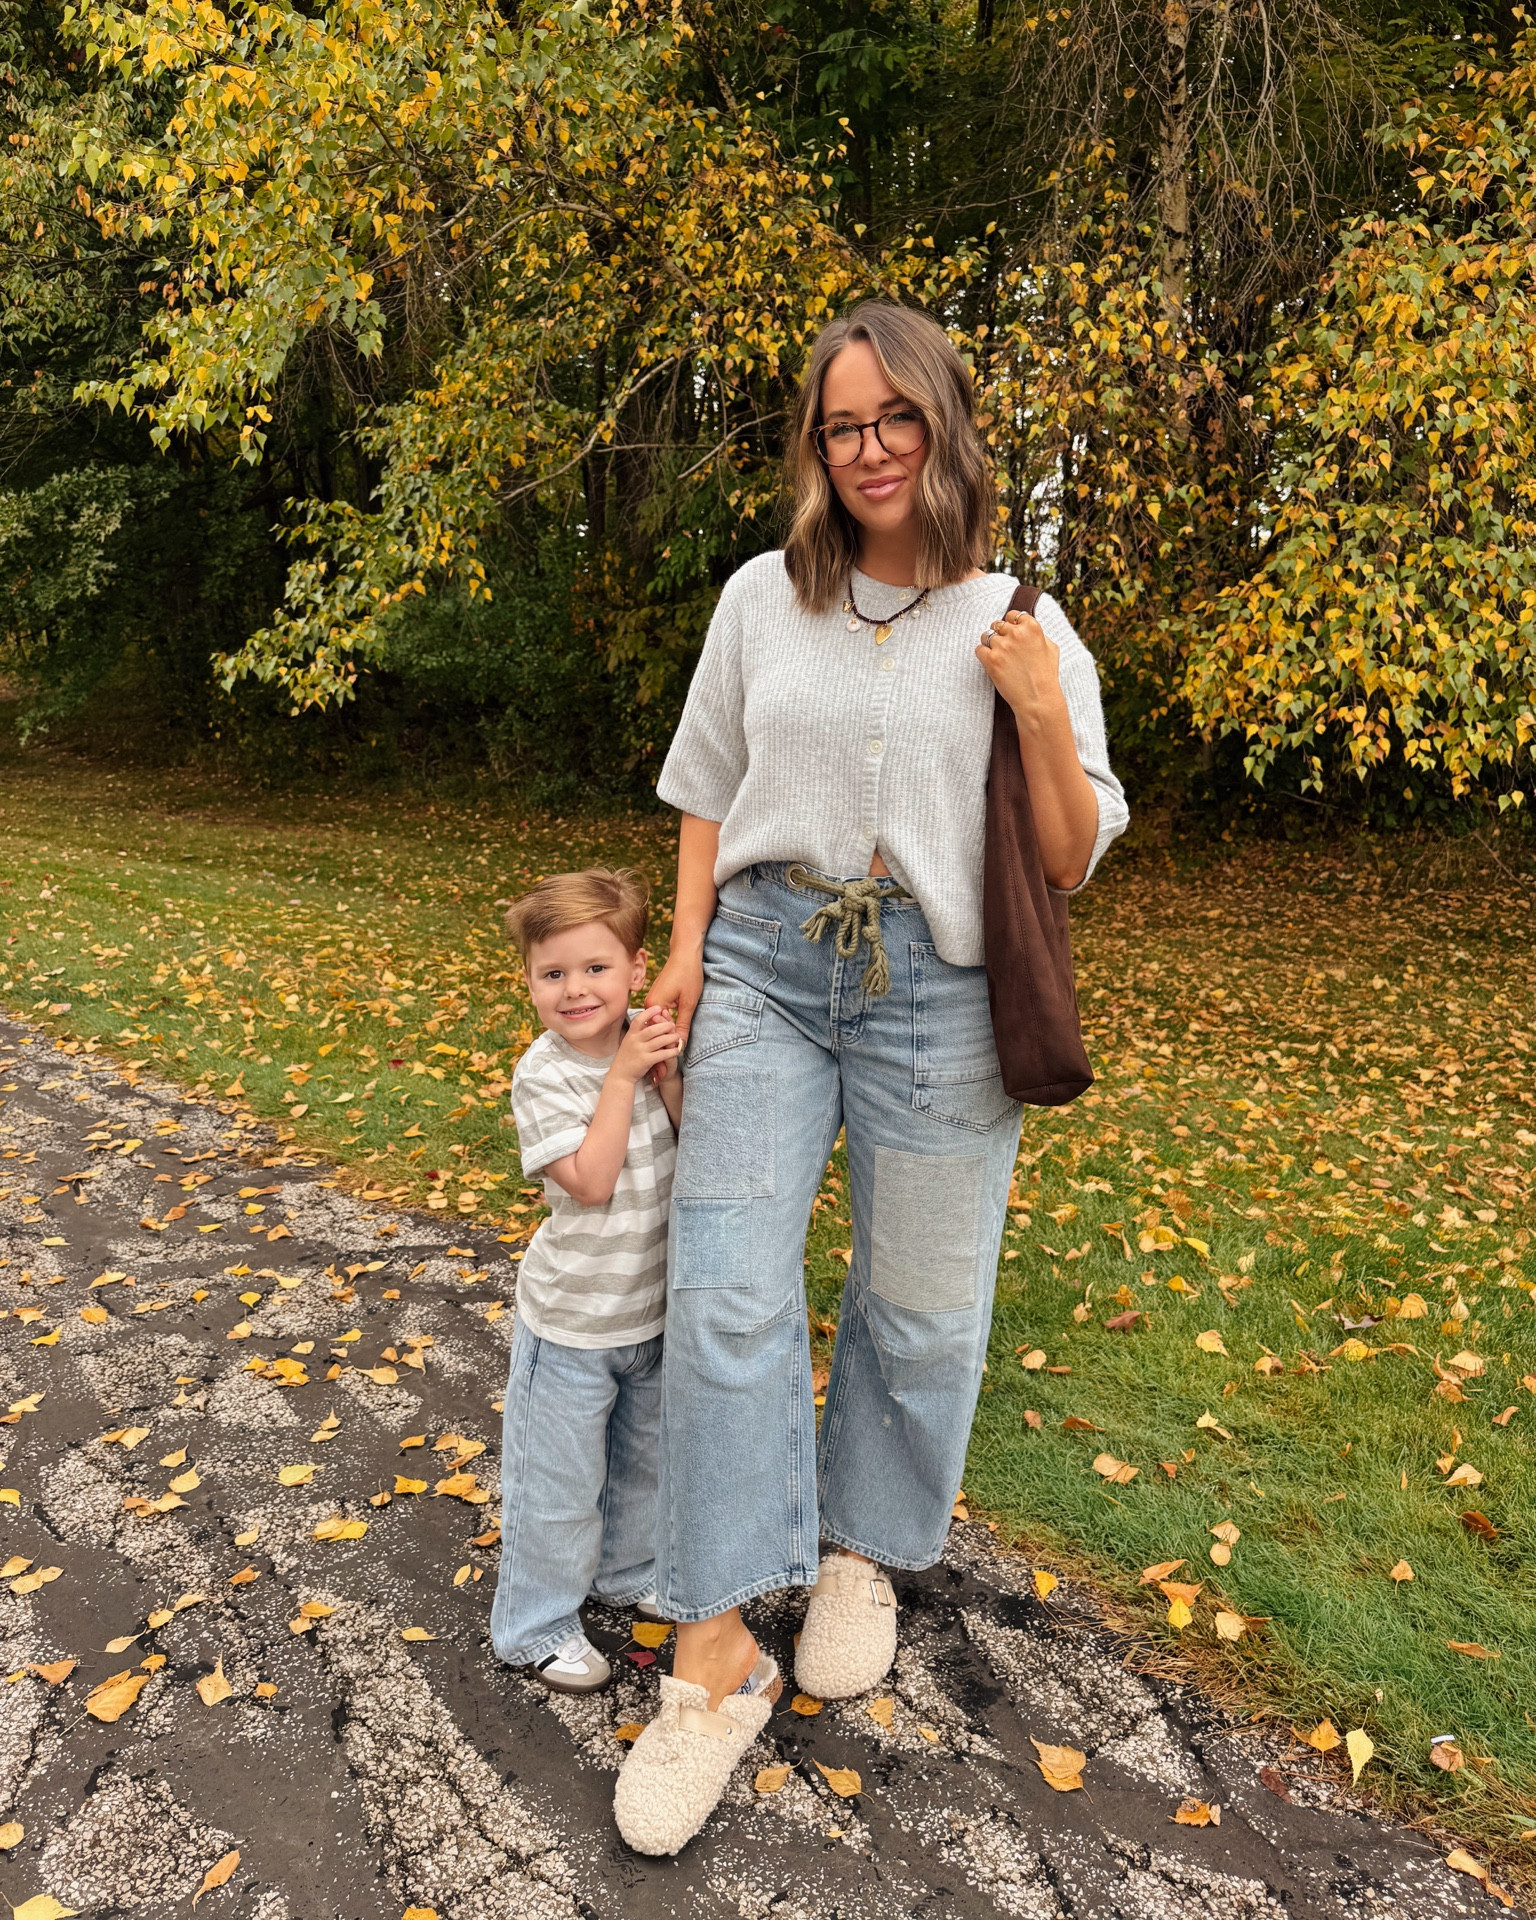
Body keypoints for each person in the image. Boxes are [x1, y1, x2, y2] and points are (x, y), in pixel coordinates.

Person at [612, 300, 1129, 1853]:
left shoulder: (1024, 620)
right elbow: (707, 789)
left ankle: (859, 1549)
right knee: (723, 1290)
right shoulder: (762, 601)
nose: (872, 449)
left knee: (919, 1304)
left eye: (896, 418)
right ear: (815, 448)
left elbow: (1069, 854)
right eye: (843, 426)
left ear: (945, 424)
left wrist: (1037, 705)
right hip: (769, 964)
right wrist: (687, 950)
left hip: (943, 992)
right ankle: (711, 1652)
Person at [489, 869, 683, 1694]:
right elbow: (592, 1181)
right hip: (570, 1324)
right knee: (559, 1488)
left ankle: (624, 1573)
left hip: (649, 1311)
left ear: (637, 967)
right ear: (528, 982)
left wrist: (662, 1071)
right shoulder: (544, 1075)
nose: (576, 990)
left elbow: (694, 1135)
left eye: (596, 968)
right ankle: (533, 1626)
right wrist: (621, 1077)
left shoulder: (651, 1035)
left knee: (642, 1467)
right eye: (553, 973)